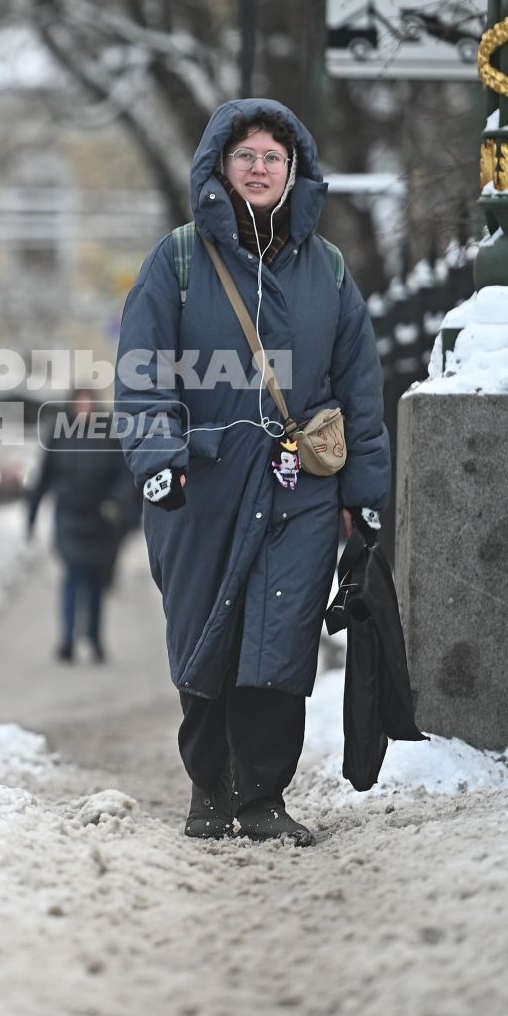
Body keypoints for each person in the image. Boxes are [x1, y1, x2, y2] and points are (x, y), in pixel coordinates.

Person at [115, 98, 389, 846]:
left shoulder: (327, 269)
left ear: (293, 170)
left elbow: (359, 389)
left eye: (273, 157)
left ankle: (264, 794)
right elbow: (143, 374)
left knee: (283, 633)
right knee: (207, 631)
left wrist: (364, 493)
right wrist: (157, 458)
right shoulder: (176, 260)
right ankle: (210, 790)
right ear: (219, 170)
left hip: (299, 482)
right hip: (202, 484)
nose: (260, 169)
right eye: (246, 158)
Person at [25, 388, 137, 664]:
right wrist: (31, 516)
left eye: (89, 404)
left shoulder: (110, 434)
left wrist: (117, 503)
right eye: (80, 404)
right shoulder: (60, 434)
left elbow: (126, 473)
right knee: (73, 575)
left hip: (102, 519)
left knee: (97, 580)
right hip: (70, 516)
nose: (84, 410)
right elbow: (43, 477)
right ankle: (67, 639)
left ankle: (95, 639)